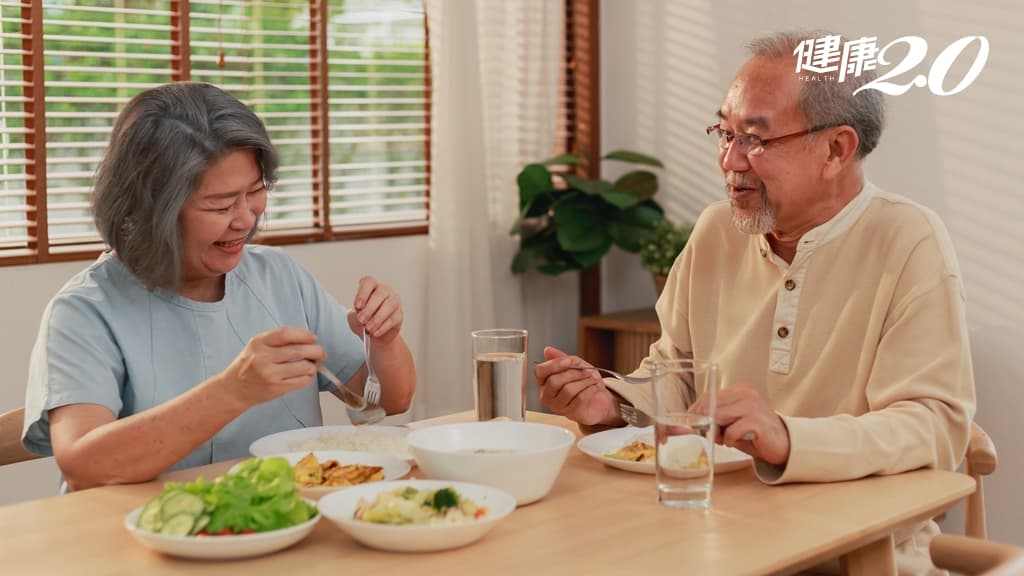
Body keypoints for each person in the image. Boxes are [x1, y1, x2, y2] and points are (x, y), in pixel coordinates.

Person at [535, 30, 975, 574]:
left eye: (755, 139)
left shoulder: (909, 241)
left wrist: (789, 438)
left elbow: (932, 425)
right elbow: (678, 373)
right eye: (724, 131)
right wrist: (614, 405)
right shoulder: (718, 229)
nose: (729, 159)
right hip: (710, 537)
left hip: (853, 555)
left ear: (836, 149)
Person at [22, 82, 416, 491]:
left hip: (281, 528)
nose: (245, 219)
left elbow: (389, 400)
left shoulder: (278, 276)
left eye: (255, 191)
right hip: (144, 536)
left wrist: (383, 340)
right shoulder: (85, 311)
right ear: (151, 207)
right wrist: (234, 391)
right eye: (221, 205)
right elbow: (84, 466)